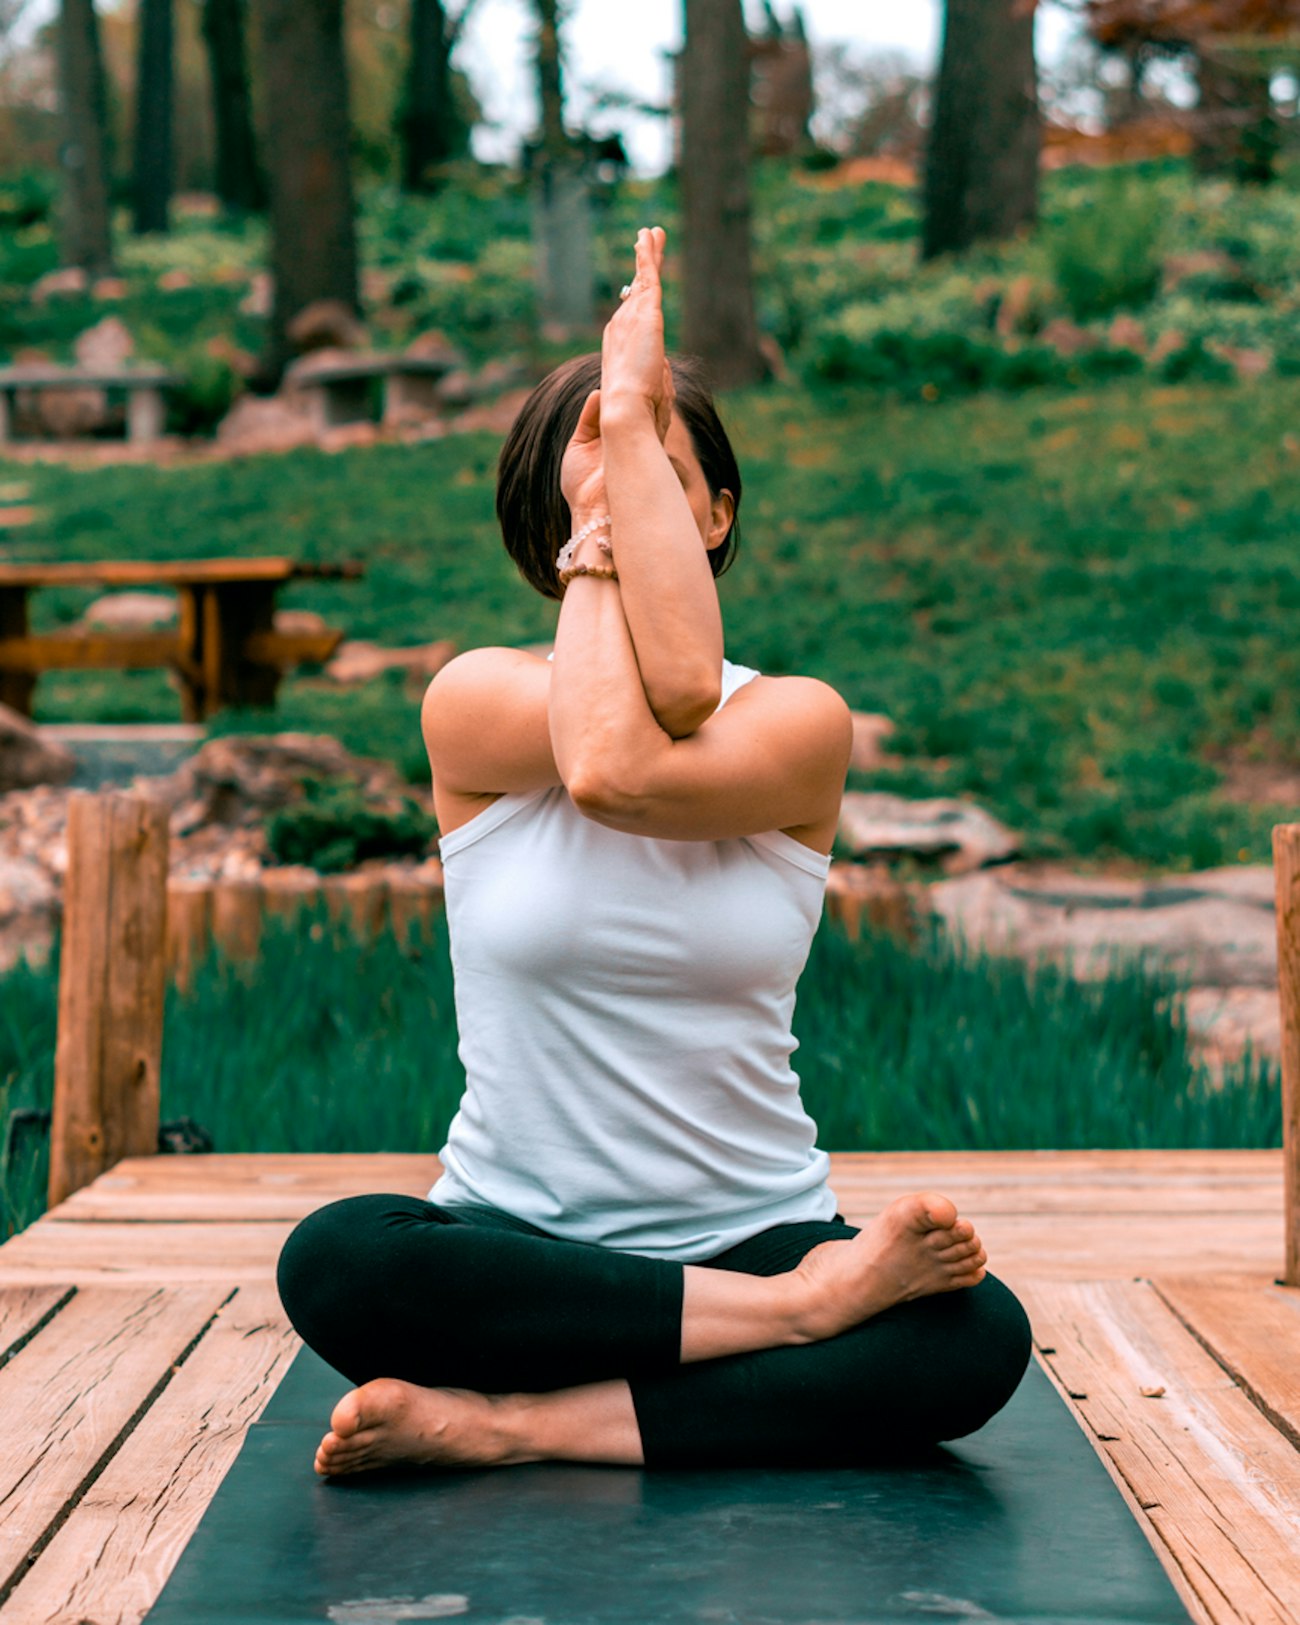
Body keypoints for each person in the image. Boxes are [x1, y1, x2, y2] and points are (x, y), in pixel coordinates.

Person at [276, 226, 1032, 1479]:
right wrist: (808, 1305)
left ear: (719, 510)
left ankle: (513, 1424)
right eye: (596, 480)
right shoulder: (473, 700)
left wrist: (624, 430)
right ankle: (788, 1326)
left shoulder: (797, 721)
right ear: (550, 517)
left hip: (753, 1230)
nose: (623, 503)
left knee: (973, 1339)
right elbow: (606, 760)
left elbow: (665, 718)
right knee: (338, 1258)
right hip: (521, 1248)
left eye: (658, 479)